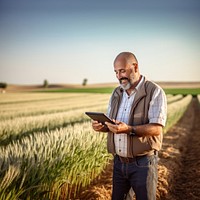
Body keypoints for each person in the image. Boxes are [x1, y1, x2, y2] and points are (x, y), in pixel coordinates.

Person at [92, 52, 167, 200]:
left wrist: (129, 129)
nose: (119, 76)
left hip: (143, 164)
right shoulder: (116, 93)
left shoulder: (154, 91)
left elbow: (157, 128)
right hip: (119, 163)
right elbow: (113, 124)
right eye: (116, 72)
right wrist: (102, 127)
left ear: (135, 67)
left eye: (122, 71)